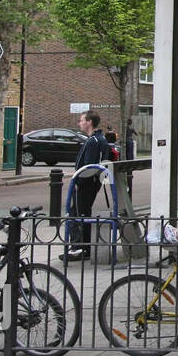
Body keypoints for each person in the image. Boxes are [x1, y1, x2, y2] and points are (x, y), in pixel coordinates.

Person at [60, 109, 112, 262]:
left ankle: (80, 248)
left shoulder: (93, 141)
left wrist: (79, 182)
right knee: (81, 212)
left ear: (89, 122)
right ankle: (83, 247)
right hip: (93, 183)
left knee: (78, 213)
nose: (79, 123)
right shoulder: (99, 139)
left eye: (82, 120)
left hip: (87, 184)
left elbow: (89, 167)